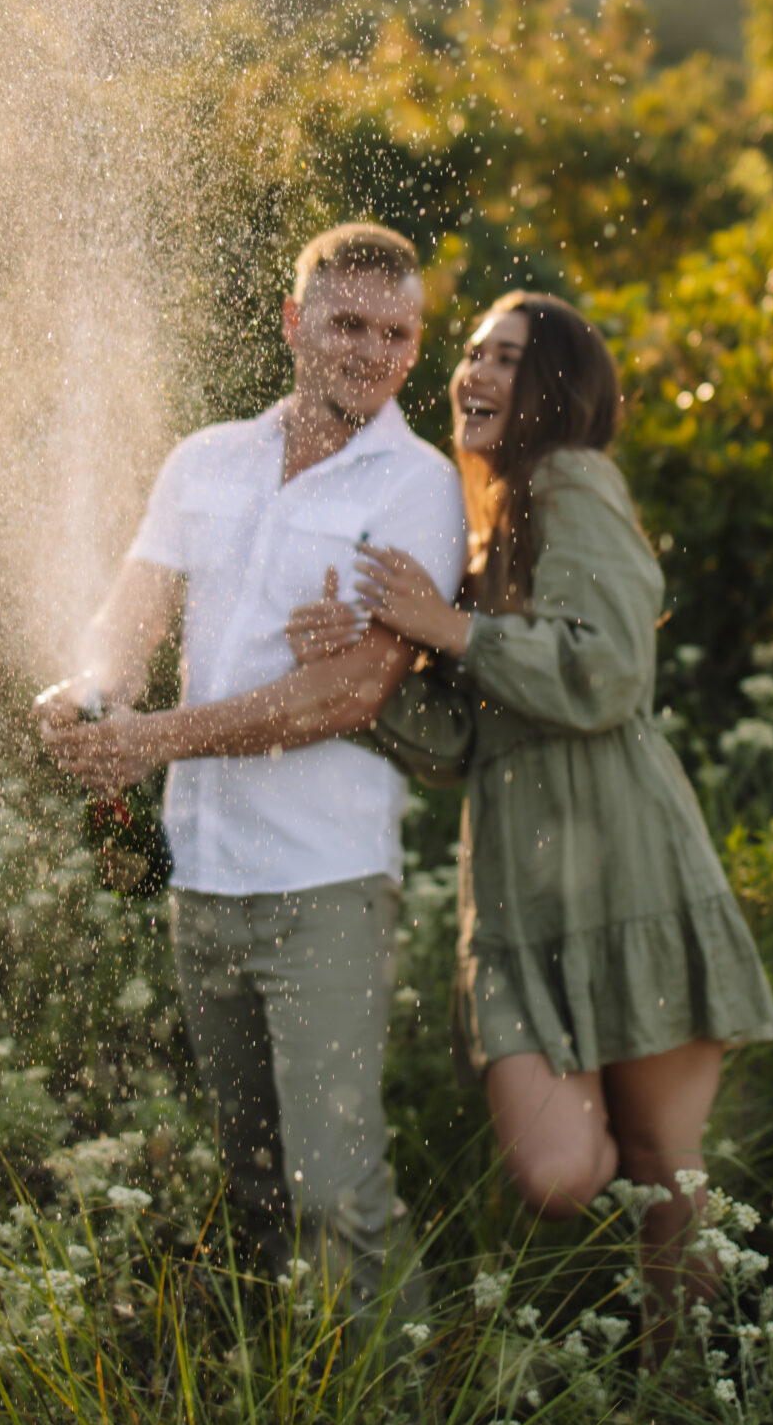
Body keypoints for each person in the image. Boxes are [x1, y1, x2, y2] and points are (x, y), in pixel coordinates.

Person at [284, 292, 773, 1337]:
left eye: (507, 357)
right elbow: (464, 744)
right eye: (470, 353)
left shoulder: (572, 481)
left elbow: (607, 671)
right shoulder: (490, 525)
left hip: (633, 870)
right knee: (560, 1173)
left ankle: (682, 1402)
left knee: (663, 1176)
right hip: (518, 895)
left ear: (558, 382)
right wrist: (360, 677)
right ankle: (637, 1300)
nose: (476, 372)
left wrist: (446, 628)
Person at [37, 223, 466, 1313]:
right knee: (256, 1187)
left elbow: (350, 693)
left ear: (415, 349)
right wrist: (90, 691)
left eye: (396, 332)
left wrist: (153, 738)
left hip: (323, 884)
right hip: (205, 879)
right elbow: (129, 619)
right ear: (293, 323)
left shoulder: (417, 486)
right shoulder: (206, 460)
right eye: (347, 323)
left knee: (338, 1187)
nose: (371, 351)